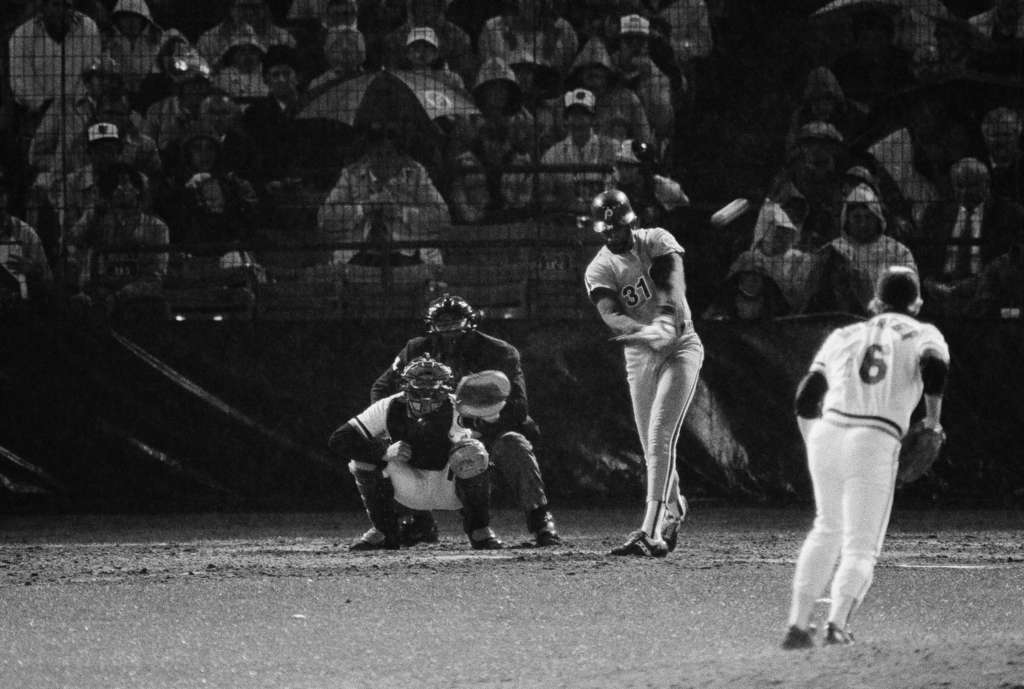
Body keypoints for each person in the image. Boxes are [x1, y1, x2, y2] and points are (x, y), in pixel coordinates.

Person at [782, 265, 949, 649]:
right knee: (861, 544)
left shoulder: (844, 333)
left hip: (828, 432)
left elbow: (806, 398)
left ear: (875, 302)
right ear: (917, 302)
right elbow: (935, 366)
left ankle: (797, 624)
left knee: (826, 528)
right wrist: (933, 421)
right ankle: (836, 625)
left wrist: (815, 444)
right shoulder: (924, 332)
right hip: (874, 438)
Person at [367, 294, 562, 548]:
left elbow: (518, 407)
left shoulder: (500, 353)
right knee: (384, 449)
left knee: (514, 444)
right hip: (432, 431)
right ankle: (416, 521)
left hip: (484, 430)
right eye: (442, 323)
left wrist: (479, 425)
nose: (449, 330)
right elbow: (381, 389)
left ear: (470, 323)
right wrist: (392, 428)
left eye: (455, 322)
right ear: (430, 326)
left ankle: (540, 520)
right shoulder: (415, 350)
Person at [583, 188, 703, 557]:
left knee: (659, 436)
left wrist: (666, 316)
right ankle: (675, 508)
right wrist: (640, 332)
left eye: (617, 228)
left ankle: (649, 530)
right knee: (649, 443)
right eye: (606, 231)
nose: (612, 235)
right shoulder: (599, 267)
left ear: (630, 222)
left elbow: (671, 278)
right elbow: (609, 313)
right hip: (640, 356)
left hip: (681, 345)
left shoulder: (656, 238)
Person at [329, 355, 505, 551]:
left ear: (446, 388)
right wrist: (383, 451)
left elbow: (494, 441)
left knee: (473, 452)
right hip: (407, 486)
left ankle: (479, 528)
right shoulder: (388, 407)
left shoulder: (459, 407)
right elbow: (339, 439)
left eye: (433, 387)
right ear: (405, 387)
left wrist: (491, 418)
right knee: (361, 460)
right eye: (420, 386)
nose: (427, 395)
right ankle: (385, 531)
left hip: (450, 487)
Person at [539, 88, 618, 214]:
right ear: (566, 119)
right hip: (566, 223)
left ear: (593, 119)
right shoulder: (553, 154)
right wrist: (564, 203)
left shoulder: (613, 149)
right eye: (573, 115)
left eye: (584, 115)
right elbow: (544, 195)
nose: (578, 121)